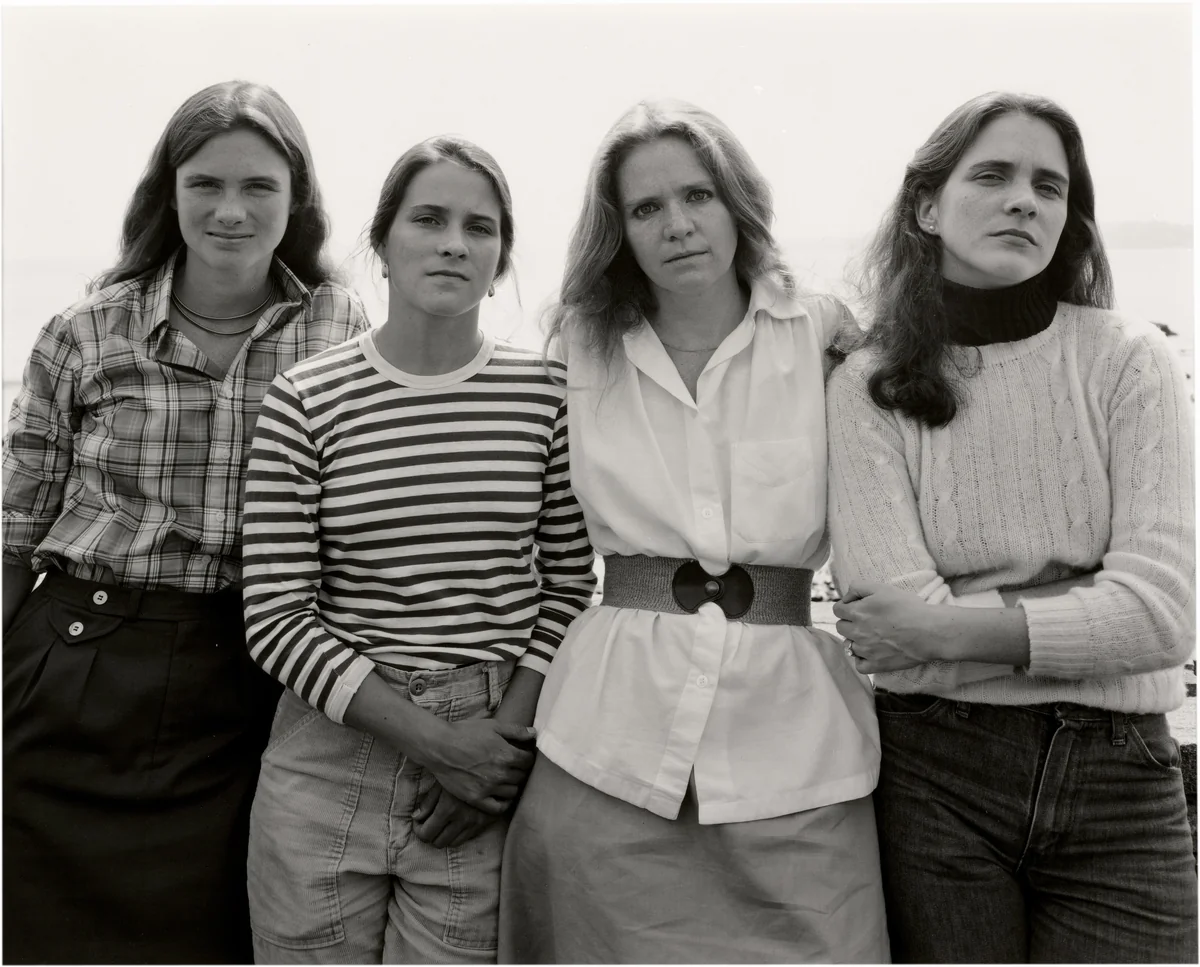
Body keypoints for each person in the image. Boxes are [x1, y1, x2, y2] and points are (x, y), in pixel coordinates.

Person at [497, 100, 889, 964]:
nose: (677, 224)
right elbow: (528, 530)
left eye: (698, 196)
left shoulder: (824, 335)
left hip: (794, 745)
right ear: (620, 232)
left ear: (736, 203)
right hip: (608, 740)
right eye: (646, 209)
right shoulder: (577, 349)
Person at [1, 80, 370, 964]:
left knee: (217, 931)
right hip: (79, 666)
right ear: (169, 191)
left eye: (259, 188)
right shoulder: (85, 331)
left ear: (298, 202)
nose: (231, 210)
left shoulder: (340, 328)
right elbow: (13, 534)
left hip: (247, 677)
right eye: (206, 183)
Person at [827, 91, 1197, 963]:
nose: (1024, 199)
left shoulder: (1130, 359)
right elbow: (891, 625)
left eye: (1049, 185)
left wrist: (949, 622)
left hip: (1123, 779)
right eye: (991, 175)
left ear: (1069, 220)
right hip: (936, 773)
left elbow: (1163, 614)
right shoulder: (868, 383)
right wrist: (1077, 597)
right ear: (926, 205)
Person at [241, 134, 596, 965]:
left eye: (480, 227)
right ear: (382, 243)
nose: (453, 243)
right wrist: (439, 745)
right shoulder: (306, 399)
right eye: (428, 219)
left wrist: (497, 754)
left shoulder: (545, 396)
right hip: (330, 759)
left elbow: (571, 585)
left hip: (487, 752)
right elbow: (275, 615)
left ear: (501, 256)